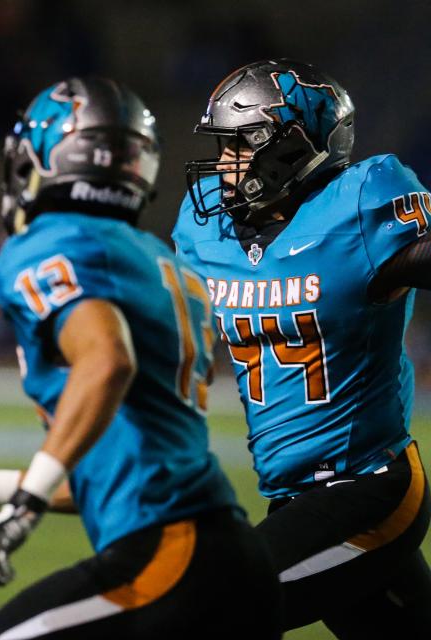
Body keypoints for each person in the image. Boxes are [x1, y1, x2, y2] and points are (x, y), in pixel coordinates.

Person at [0, 77, 281, 639]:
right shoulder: (166, 264)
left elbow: (107, 361)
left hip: (173, 557)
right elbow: (127, 470)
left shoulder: (47, 243)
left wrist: (28, 503)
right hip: (228, 556)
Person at [176, 58, 431, 637]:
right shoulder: (204, 231)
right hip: (293, 499)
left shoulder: (358, 206)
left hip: (370, 484)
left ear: (291, 145)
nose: (222, 165)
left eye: (238, 145)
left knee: (207, 608)